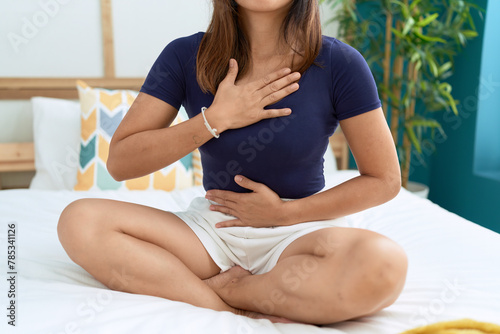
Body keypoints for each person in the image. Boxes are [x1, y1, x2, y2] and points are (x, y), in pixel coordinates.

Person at [58, 0, 408, 325]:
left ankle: (233, 288)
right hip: (213, 232)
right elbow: (121, 162)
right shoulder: (185, 55)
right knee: (80, 221)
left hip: (301, 229)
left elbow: (384, 179)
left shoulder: (339, 63)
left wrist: (283, 215)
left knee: (384, 265)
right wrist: (214, 120)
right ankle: (225, 307)